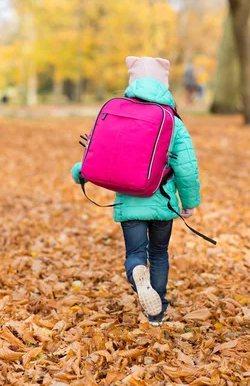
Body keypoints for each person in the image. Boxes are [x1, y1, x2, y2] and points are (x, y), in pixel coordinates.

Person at [70, 56, 201, 326]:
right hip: (163, 203)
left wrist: (79, 172)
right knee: (160, 254)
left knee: (135, 254)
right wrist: (189, 203)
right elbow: (187, 168)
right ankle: (157, 312)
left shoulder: (119, 112)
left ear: (133, 83)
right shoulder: (173, 121)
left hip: (129, 202)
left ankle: (138, 274)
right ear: (163, 84)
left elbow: (104, 155)